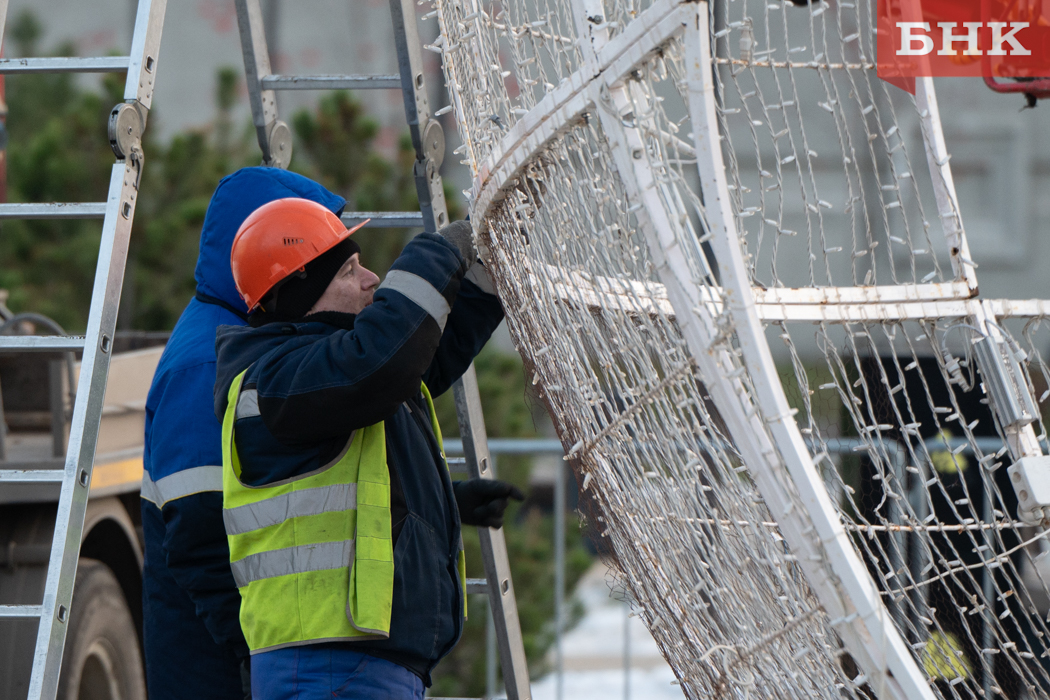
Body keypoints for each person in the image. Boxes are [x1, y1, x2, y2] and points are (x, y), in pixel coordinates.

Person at [212, 198, 524, 699]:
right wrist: (440, 250)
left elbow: (422, 353)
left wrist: (440, 501)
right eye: (348, 271)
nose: (371, 279)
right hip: (328, 668)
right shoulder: (274, 381)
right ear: (302, 293)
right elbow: (386, 361)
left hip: (354, 667)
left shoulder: (330, 377)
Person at [141, 169, 347, 700]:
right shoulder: (205, 363)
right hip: (220, 673)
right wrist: (253, 658)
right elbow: (201, 528)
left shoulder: (242, 337)